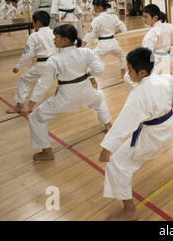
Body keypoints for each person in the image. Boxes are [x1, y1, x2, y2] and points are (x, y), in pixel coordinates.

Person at [99, 47, 173, 221]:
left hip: (152, 137)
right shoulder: (166, 78)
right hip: (169, 123)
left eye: (130, 69)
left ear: (141, 72)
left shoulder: (138, 94)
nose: (127, 72)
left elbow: (123, 124)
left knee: (116, 164)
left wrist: (107, 148)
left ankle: (130, 211)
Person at [21, 24, 112, 161]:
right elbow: (100, 69)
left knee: (36, 117)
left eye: (56, 37)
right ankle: (108, 125)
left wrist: (31, 105)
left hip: (66, 98)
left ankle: (47, 152)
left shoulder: (54, 59)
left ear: (65, 40)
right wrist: (90, 76)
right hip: (86, 92)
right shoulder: (85, 52)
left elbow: (44, 84)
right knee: (99, 99)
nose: (53, 40)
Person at [6, 11, 55, 115]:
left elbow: (27, 54)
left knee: (24, 80)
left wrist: (18, 67)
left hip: (42, 65)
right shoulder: (54, 32)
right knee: (43, 85)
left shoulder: (34, 36)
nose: (33, 24)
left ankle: (19, 105)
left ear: (37, 22)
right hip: (55, 64)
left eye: (33, 22)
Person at [83, 0, 127, 79]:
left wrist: (81, 46)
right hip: (114, 44)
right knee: (122, 55)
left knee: (89, 59)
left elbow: (89, 35)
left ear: (99, 7)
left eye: (94, 7)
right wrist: (114, 32)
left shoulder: (97, 19)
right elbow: (124, 28)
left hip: (102, 46)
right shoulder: (113, 17)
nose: (93, 8)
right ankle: (123, 73)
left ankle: (90, 78)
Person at [141, 4, 173, 77]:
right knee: (172, 82)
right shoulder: (168, 26)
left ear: (155, 17)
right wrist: (169, 45)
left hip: (158, 62)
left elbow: (146, 53)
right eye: (143, 17)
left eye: (146, 17)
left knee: (159, 84)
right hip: (170, 58)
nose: (144, 20)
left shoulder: (152, 33)